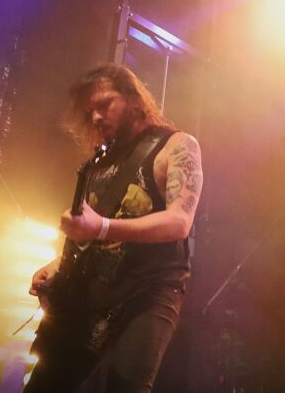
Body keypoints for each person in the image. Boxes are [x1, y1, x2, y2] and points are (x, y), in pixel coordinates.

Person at [25, 63, 203, 392]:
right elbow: (90, 233)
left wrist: (102, 227)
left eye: (105, 104)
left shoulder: (176, 145)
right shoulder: (99, 163)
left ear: (133, 98)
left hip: (147, 294)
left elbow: (180, 221)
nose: (96, 117)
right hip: (90, 294)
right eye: (89, 111)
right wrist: (57, 265)